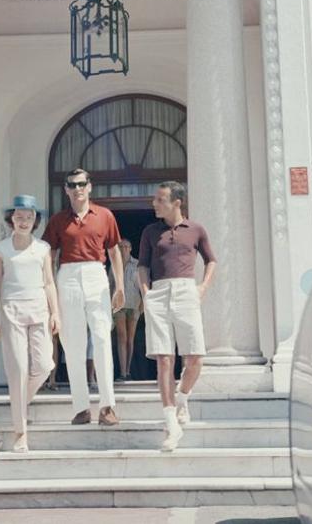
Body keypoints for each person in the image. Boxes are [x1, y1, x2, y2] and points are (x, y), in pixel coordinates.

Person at [138, 181, 216, 451]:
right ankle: (171, 423)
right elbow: (142, 266)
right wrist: (146, 294)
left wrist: (203, 287)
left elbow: (211, 260)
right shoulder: (150, 231)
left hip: (186, 291)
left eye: (160, 200)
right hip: (158, 293)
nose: (154, 204)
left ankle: (182, 398)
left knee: (195, 356)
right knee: (164, 359)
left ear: (176, 203)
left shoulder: (196, 230)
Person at [42, 168, 124, 426]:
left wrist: (119, 285)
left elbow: (114, 252)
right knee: (72, 343)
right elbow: (49, 258)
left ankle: (107, 406)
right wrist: (48, 293)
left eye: (81, 184)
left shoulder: (105, 215)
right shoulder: (57, 221)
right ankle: (81, 407)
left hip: (95, 274)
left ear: (90, 187)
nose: (77, 188)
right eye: (72, 184)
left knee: (101, 339)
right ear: (65, 189)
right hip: (67, 276)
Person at [0, 194, 60, 453]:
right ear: (12, 219)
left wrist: (56, 313)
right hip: (11, 310)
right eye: (19, 217)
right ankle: (21, 433)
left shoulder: (43, 249)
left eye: (28, 217)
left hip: (39, 308)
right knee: (18, 369)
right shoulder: (1, 248)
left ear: (35, 220)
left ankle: (19, 404)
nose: (23, 221)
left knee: (43, 365)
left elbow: (49, 282)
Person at [111, 238, 142, 381]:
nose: (123, 249)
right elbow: (110, 285)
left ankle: (128, 370)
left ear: (130, 248)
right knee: (121, 337)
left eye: (126, 246)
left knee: (130, 338)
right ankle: (123, 372)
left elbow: (142, 285)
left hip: (134, 304)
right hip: (119, 306)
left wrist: (143, 303)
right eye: (121, 246)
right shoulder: (113, 265)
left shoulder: (137, 265)